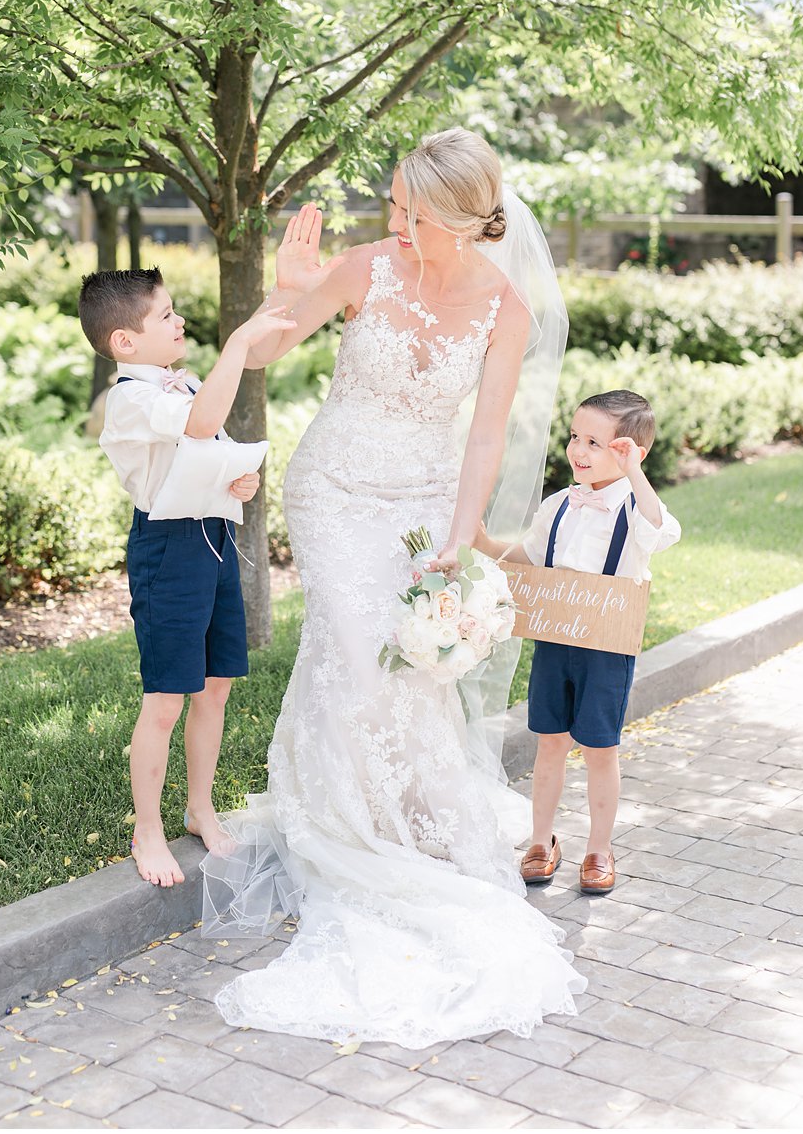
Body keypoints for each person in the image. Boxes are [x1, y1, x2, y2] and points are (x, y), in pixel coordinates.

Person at [198, 129, 585, 1046]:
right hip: (331, 487)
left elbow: (485, 436)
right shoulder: (365, 267)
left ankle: (404, 814)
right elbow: (261, 356)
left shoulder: (505, 307)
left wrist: (460, 541)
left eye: (413, 210)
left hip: (420, 499)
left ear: (459, 216)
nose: (395, 221)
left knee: (409, 667)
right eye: (396, 206)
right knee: (351, 648)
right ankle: (342, 821)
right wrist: (289, 293)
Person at [78, 270, 289, 888]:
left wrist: (237, 480)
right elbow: (199, 425)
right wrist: (238, 346)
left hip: (213, 539)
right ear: (124, 342)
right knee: (166, 698)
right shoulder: (132, 398)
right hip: (168, 549)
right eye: (165, 316)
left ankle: (200, 808)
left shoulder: (185, 382)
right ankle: (147, 830)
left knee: (216, 685)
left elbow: (206, 450)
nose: (179, 322)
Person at [475, 390, 680, 897]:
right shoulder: (559, 505)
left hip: (606, 648)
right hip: (556, 640)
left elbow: (662, 530)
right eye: (574, 437)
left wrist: (636, 475)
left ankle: (599, 848)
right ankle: (542, 841)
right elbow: (528, 556)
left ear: (630, 452)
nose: (579, 451)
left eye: (595, 442)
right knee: (550, 741)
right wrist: (483, 543)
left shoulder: (635, 510)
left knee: (600, 749)